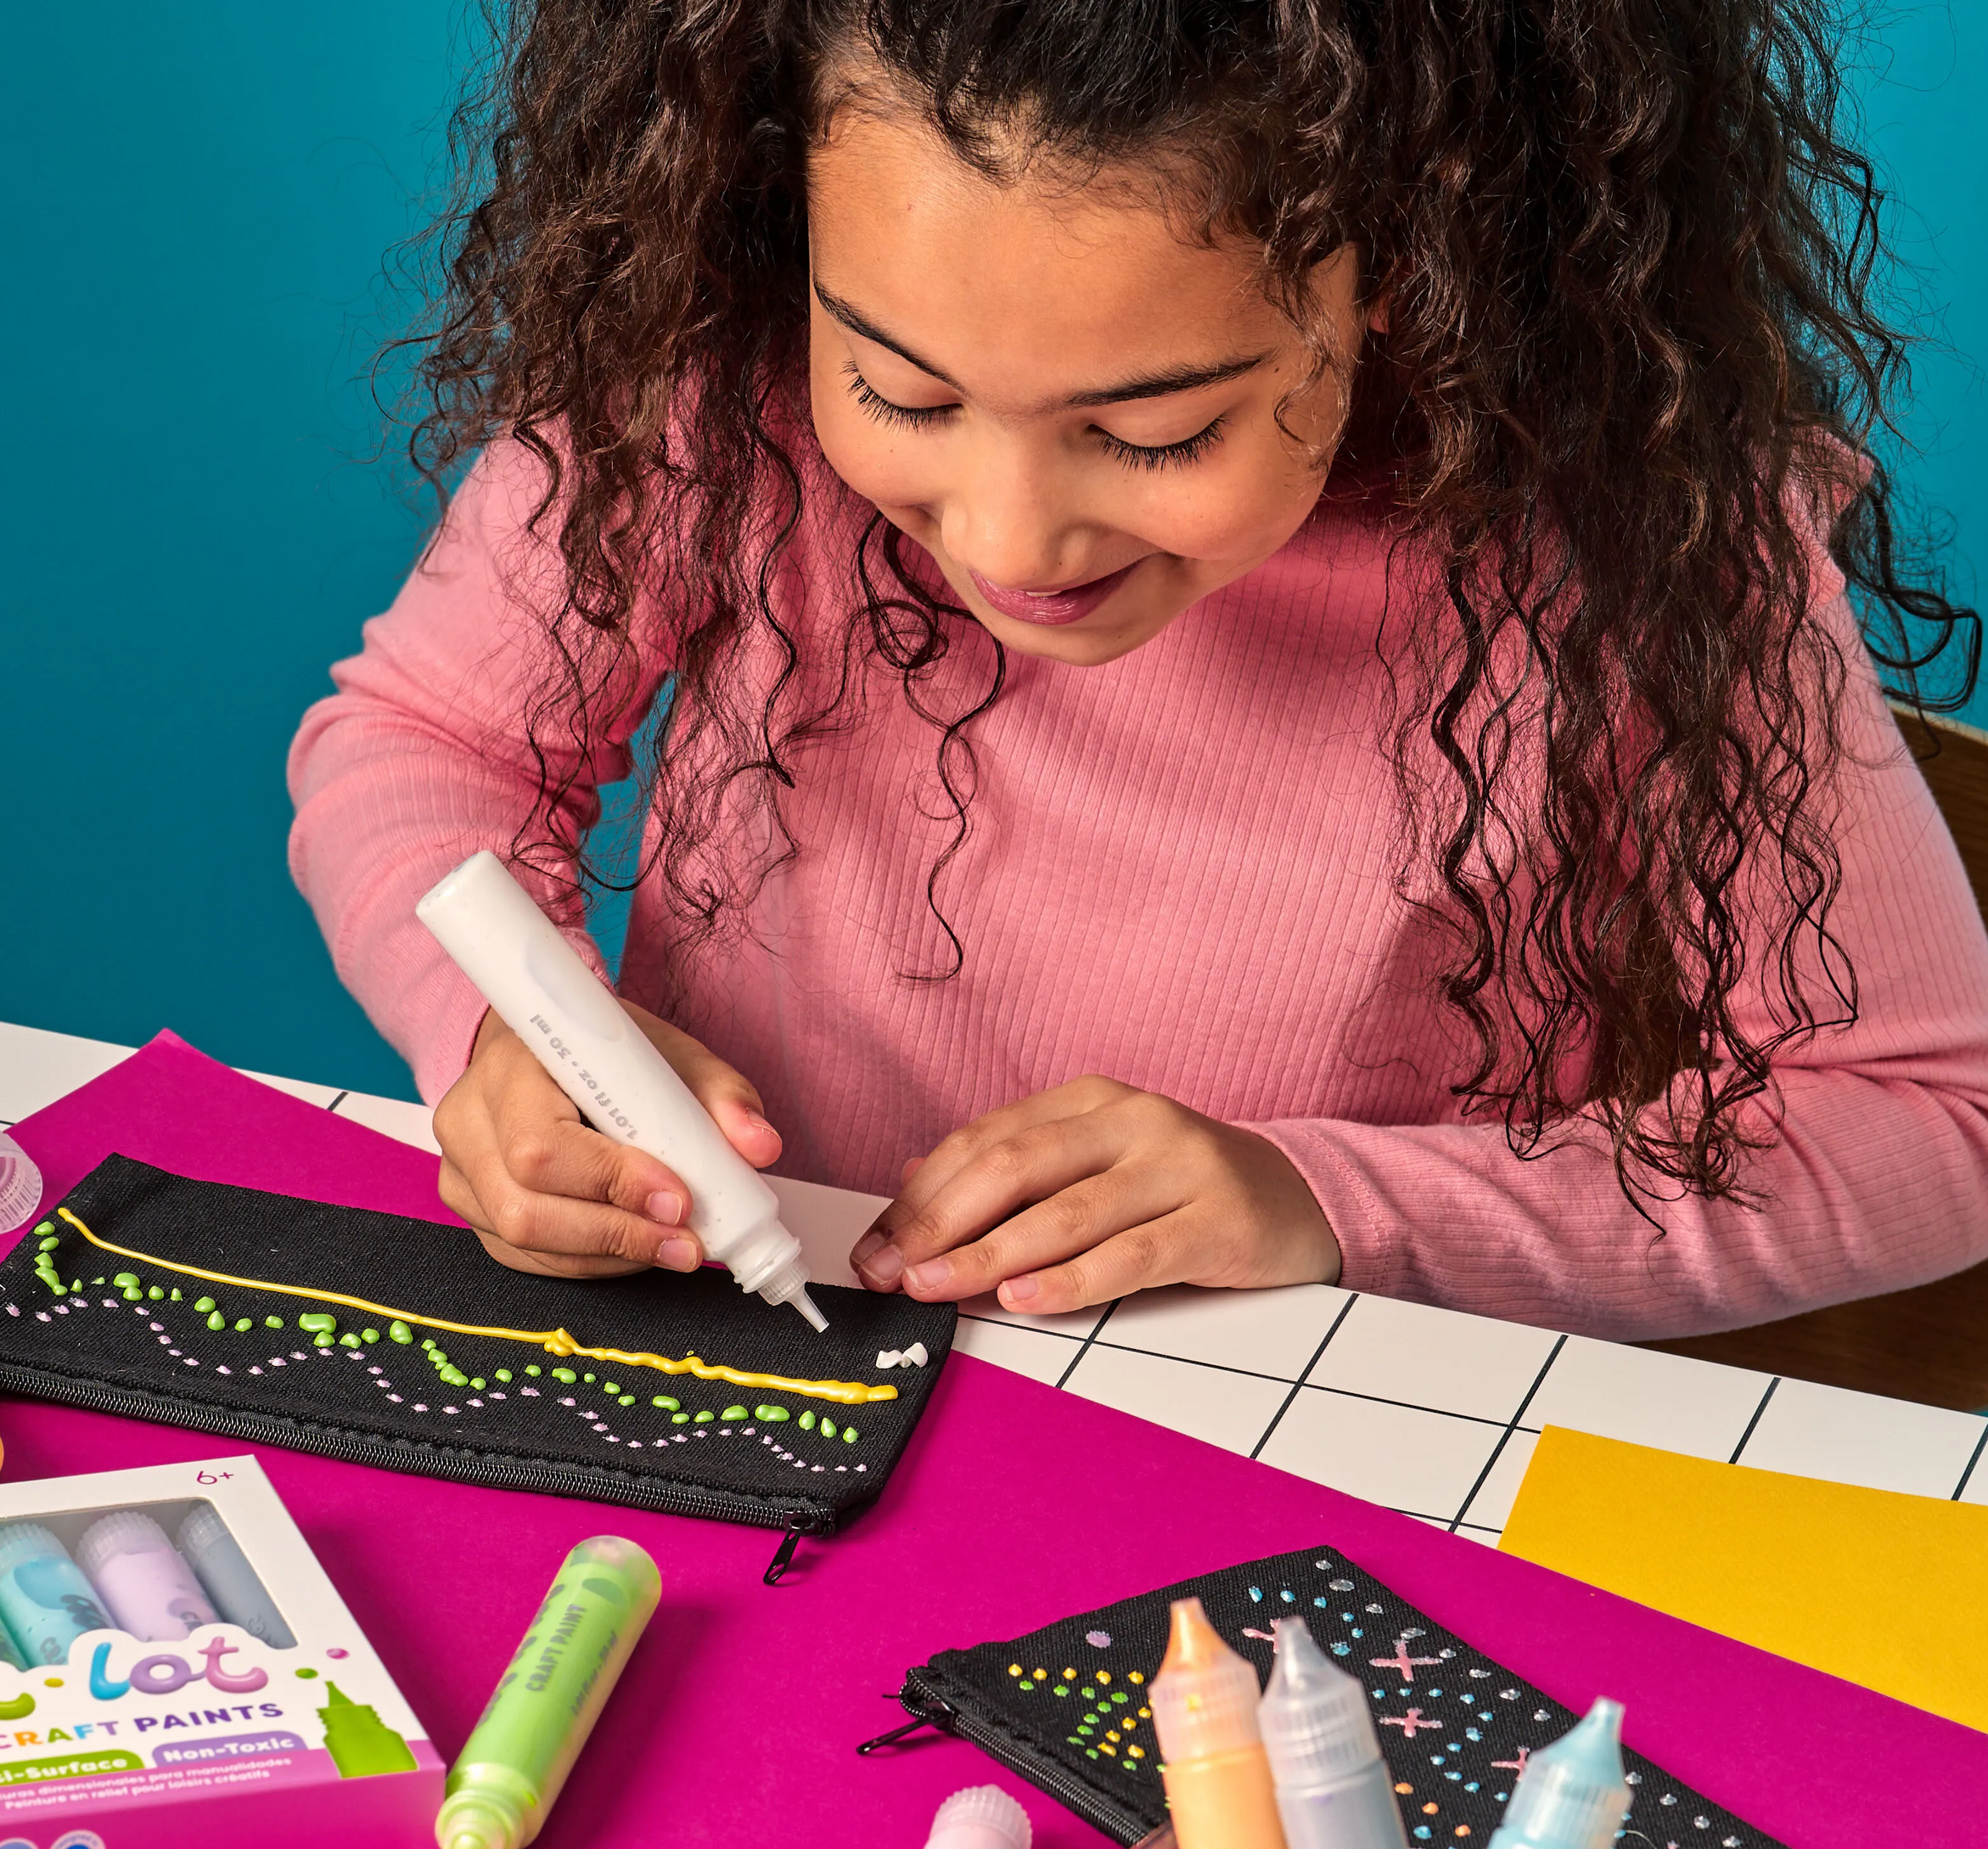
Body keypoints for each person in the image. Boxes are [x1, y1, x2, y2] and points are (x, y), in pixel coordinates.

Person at [289, 0, 1988, 1339]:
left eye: (1154, 431)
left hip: (1303, 1441)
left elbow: (1934, 1118)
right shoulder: (713, 386)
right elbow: (418, 745)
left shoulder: (1640, 545)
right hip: (739, 1336)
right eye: (905, 395)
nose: (1013, 538)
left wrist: (1317, 1204)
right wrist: (505, 1040)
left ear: (1403, 273)